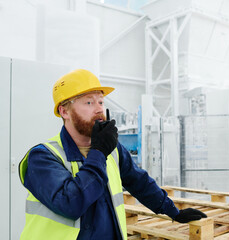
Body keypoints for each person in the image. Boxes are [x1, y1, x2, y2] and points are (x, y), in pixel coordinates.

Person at [18, 69, 207, 240]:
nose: (99, 109)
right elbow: (71, 203)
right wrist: (99, 152)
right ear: (64, 111)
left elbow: (139, 182)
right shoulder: (42, 158)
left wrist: (172, 211)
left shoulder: (112, 150)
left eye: (100, 101)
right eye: (89, 102)